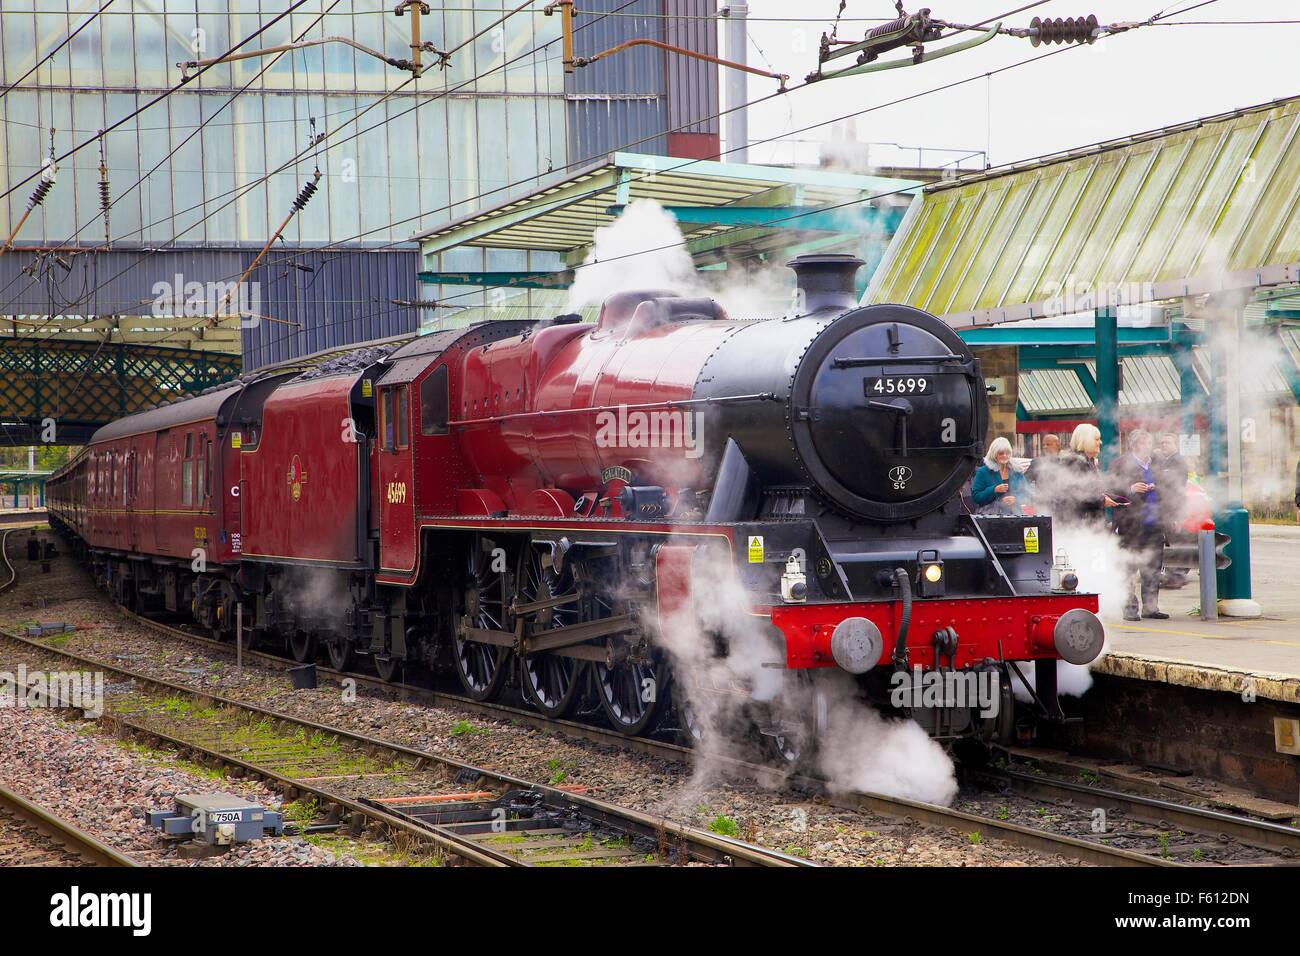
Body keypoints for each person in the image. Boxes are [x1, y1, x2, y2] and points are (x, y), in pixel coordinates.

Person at [1109, 428, 1168, 621]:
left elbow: (1170, 488)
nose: (1149, 447)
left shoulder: (1157, 463)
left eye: (1150, 443)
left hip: (1155, 524)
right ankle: (1129, 608)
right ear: (1134, 445)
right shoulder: (1119, 464)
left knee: (1153, 567)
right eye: (1144, 443)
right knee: (1129, 567)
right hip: (1130, 525)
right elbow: (1110, 491)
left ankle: (1151, 607)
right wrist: (1130, 489)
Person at [1048, 423, 1122, 527]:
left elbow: (1090, 490)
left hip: (1085, 524)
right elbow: (1077, 494)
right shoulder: (1074, 462)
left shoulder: (1084, 461)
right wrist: (1102, 500)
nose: (1100, 442)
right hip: (1077, 524)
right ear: (1086, 440)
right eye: (1096, 439)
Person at [971, 437, 1028, 515]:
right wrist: (994, 490)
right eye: (1001, 453)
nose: (1005, 456)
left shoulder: (1016, 470)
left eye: (1007, 453)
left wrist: (1016, 499)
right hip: (990, 517)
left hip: (1015, 516)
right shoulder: (983, 471)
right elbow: (976, 497)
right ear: (994, 454)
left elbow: (1027, 493)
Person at [1152, 433, 1188, 534]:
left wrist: (1175, 516)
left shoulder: (1179, 461)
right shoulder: (1160, 460)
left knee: (1170, 542)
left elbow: (1175, 489)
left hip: (1171, 509)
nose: (1164, 445)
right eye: (1162, 443)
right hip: (1162, 509)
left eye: (1167, 443)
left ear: (1176, 445)